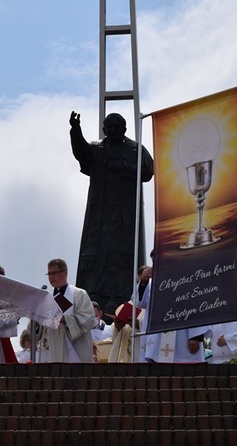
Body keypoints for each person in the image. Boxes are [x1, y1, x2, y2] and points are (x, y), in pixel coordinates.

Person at [69, 111, 154, 319]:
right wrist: (75, 130)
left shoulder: (135, 149)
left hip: (125, 213)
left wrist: (125, 167)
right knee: (98, 255)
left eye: (118, 127)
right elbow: (81, 153)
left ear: (124, 129)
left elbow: (148, 171)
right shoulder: (97, 149)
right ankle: (95, 303)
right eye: (110, 127)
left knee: (123, 255)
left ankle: (123, 301)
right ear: (104, 129)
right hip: (100, 213)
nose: (114, 130)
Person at [37, 259, 94, 363]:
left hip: (73, 349)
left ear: (64, 273)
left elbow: (88, 319)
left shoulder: (79, 294)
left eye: (54, 273)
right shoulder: (46, 297)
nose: (51, 277)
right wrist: (36, 319)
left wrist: (65, 320)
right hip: (51, 351)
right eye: (49, 274)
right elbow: (38, 328)